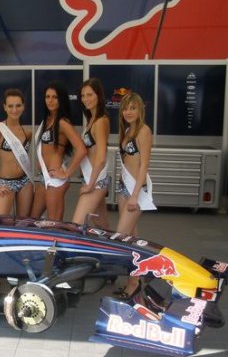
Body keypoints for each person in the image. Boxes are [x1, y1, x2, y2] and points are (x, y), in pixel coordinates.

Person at [114, 92, 156, 299]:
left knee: (121, 237)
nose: (128, 112)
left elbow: (144, 165)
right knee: (132, 239)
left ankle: (138, 279)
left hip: (135, 191)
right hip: (124, 188)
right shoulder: (128, 130)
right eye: (125, 108)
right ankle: (134, 282)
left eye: (133, 108)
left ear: (140, 110)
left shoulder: (143, 131)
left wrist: (135, 195)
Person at [30, 81, 86, 221]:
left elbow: (81, 149)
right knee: (32, 219)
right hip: (44, 177)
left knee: (54, 223)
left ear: (61, 99)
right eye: (47, 97)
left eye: (54, 97)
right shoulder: (47, 120)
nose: (50, 100)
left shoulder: (62, 122)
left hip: (55, 179)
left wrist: (67, 173)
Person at [0, 88, 34, 217]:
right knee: (0, 222)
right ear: (4, 107)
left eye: (18, 105)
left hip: (25, 182)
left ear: (23, 107)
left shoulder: (27, 133)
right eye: (10, 106)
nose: (14, 110)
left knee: (23, 223)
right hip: (5, 183)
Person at [72, 78, 110, 229]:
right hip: (91, 178)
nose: (85, 99)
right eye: (83, 95)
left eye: (90, 95)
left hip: (96, 181)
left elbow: (101, 158)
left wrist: (90, 185)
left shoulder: (100, 121)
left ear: (98, 96)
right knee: (101, 224)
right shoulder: (91, 119)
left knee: (77, 224)